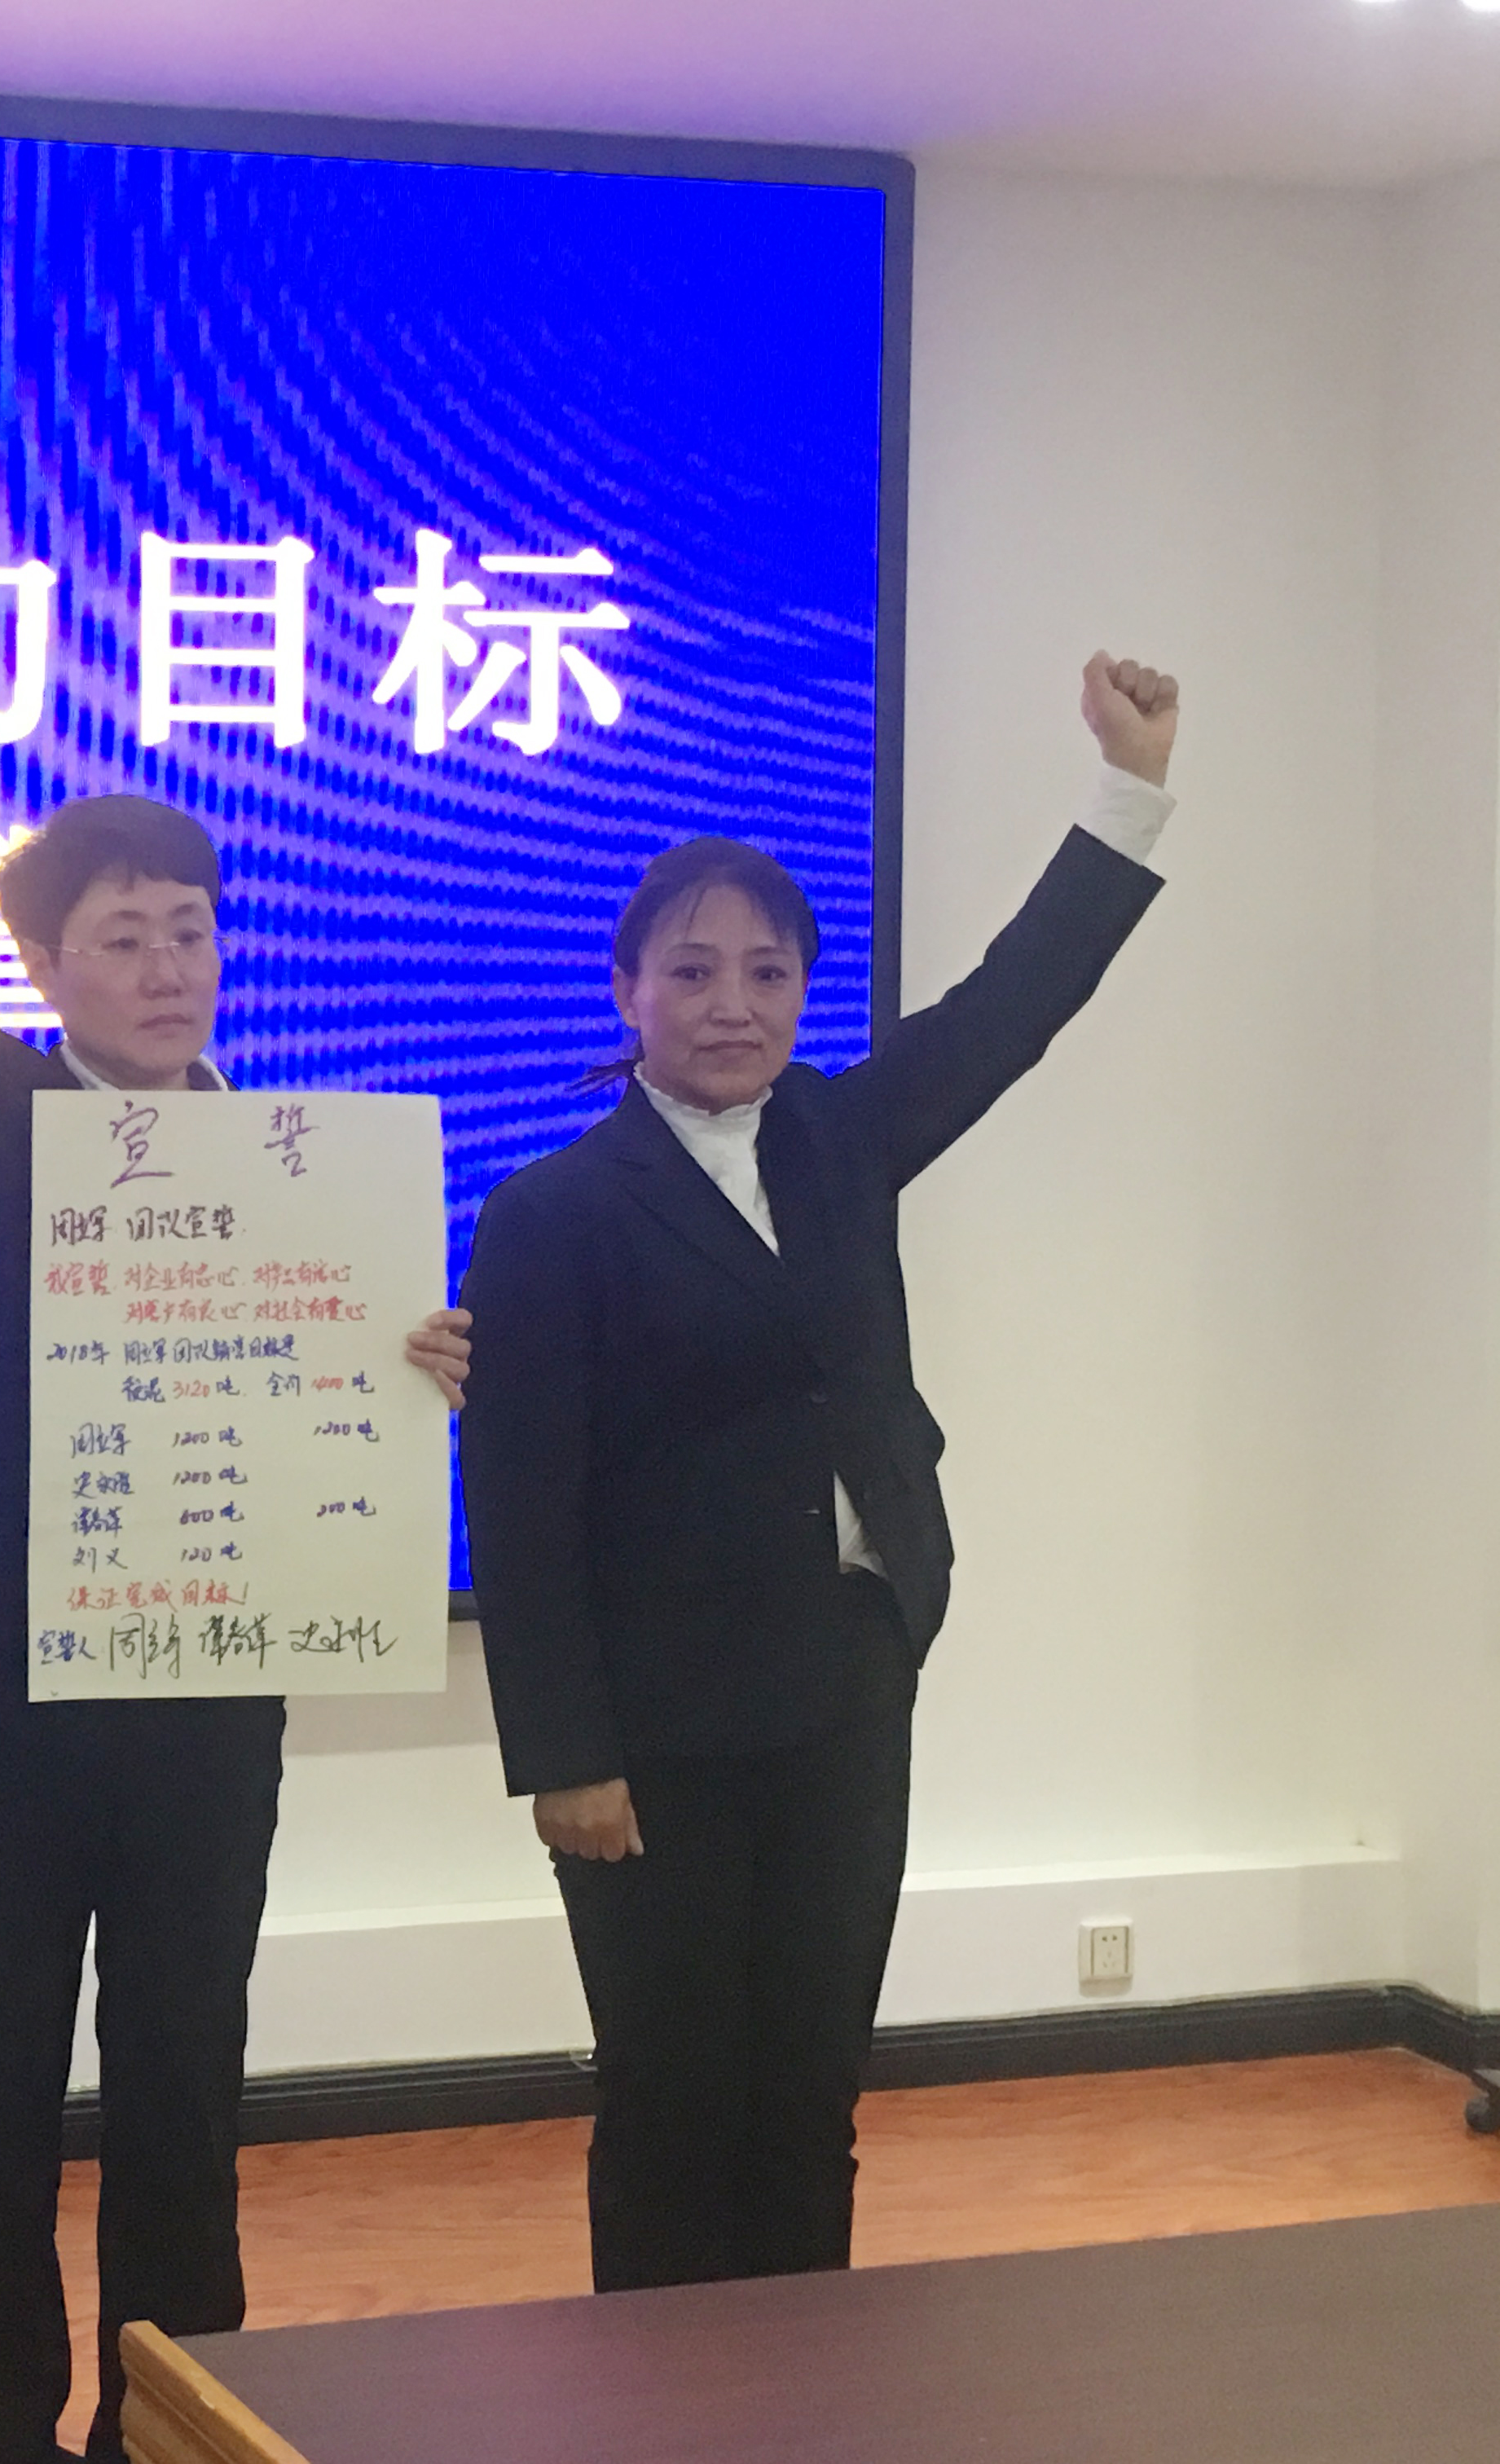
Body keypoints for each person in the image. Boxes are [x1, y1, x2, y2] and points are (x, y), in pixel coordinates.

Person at [0, 565, 470, 2462]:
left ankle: (171, 2426)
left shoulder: (308, 1175)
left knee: (189, 2093)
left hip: (211, 1701)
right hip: (4, 1700)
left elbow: (336, 1401)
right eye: (124, 937)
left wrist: (419, 1358)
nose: (168, 964)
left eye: (191, 930)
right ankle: (1, 2436)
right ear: (44, 966)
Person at [459, 653, 1182, 2294]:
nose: (734, 1004)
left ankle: (800, 2392)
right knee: (672, 2097)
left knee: (808, 2093)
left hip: (848, 1681)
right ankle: (662, 2395)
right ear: (628, 989)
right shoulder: (552, 1211)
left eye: (769, 972)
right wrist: (565, 1757)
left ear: (802, 990)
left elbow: (1015, 1003)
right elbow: (520, 1505)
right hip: (658, 1730)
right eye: (694, 970)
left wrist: (1127, 787)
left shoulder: (841, 1143)